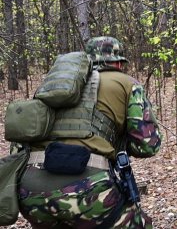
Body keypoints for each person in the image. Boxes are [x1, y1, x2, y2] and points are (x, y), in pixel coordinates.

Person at [18, 36, 162, 228]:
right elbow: (148, 146)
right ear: (117, 62)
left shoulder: (53, 85)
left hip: (30, 191)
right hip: (88, 188)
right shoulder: (127, 84)